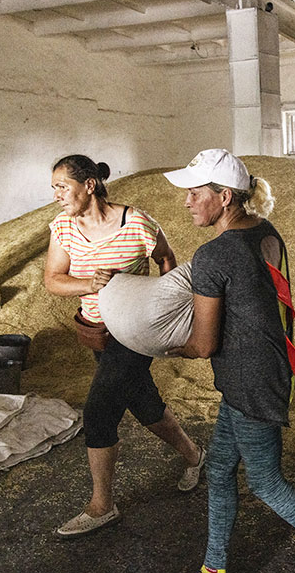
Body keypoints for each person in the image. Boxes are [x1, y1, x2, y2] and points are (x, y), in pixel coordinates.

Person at [164, 149, 295, 573]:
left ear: (225, 197)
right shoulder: (265, 232)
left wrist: (164, 345)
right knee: (218, 470)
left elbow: (201, 345)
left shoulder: (213, 256)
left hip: (249, 380)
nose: (186, 202)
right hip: (269, 366)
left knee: (266, 483)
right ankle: (214, 568)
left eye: (195, 193)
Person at [43, 154, 206, 539]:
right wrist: (90, 285)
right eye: (54, 188)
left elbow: (166, 260)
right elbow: (53, 279)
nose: (56, 196)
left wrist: (167, 309)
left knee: (99, 413)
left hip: (134, 332)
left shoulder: (138, 223)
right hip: (97, 332)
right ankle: (196, 455)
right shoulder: (63, 227)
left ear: (89, 185)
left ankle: (102, 505)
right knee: (142, 400)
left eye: (62, 187)